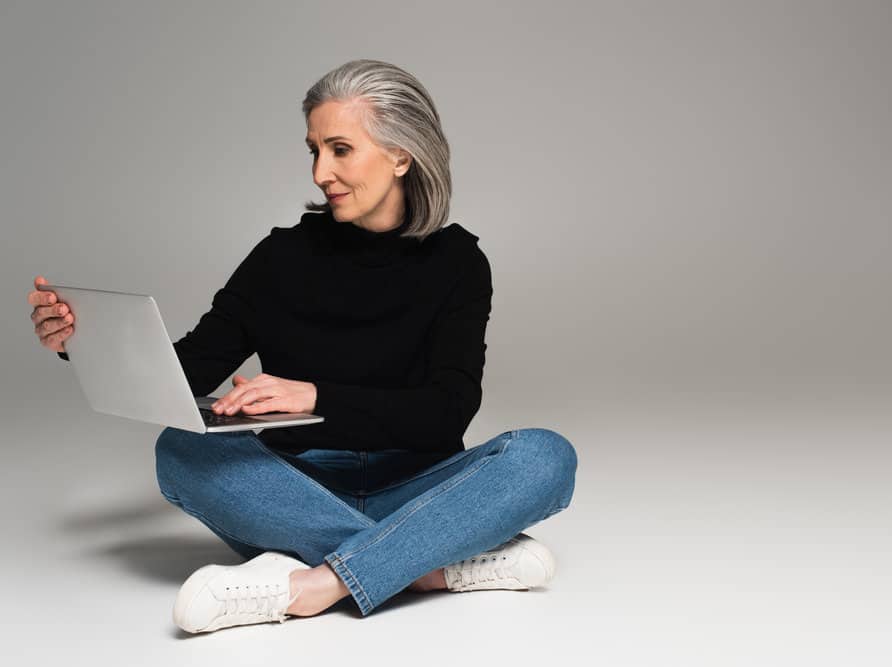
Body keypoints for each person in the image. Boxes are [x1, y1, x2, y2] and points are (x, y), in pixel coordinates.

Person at [27, 59, 577, 633]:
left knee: (545, 456)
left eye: (340, 149)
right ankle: (422, 564)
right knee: (180, 450)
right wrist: (79, 341)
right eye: (314, 150)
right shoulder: (281, 257)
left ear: (401, 155)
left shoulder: (460, 263)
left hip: (420, 485)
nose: (321, 172)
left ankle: (318, 582)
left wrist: (313, 394)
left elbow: (448, 407)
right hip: (295, 488)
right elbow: (187, 370)